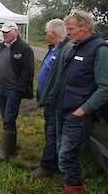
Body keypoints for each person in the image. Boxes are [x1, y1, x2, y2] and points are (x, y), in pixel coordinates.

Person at [54, 11, 108, 194]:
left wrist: (82, 110)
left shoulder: (100, 50)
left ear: (85, 27)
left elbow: (105, 88)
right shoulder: (76, 46)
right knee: (63, 152)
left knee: (67, 156)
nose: (67, 33)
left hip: (78, 115)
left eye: (71, 29)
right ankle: (73, 184)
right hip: (63, 110)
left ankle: (75, 189)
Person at [31, 19, 73, 177]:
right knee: (49, 130)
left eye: (45, 32)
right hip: (48, 100)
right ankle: (50, 160)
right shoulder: (54, 49)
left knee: (52, 133)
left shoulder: (67, 50)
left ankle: (47, 166)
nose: (45, 34)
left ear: (52, 33)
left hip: (56, 101)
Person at [0, 21, 34, 162]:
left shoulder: (24, 48)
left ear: (16, 31)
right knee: (6, 117)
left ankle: (6, 152)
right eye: (3, 32)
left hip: (13, 90)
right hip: (0, 88)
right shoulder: (1, 47)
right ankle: (10, 147)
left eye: (7, 32)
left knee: (9, 118)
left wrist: (18, 89)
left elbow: (28, 71)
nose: (4, 35)